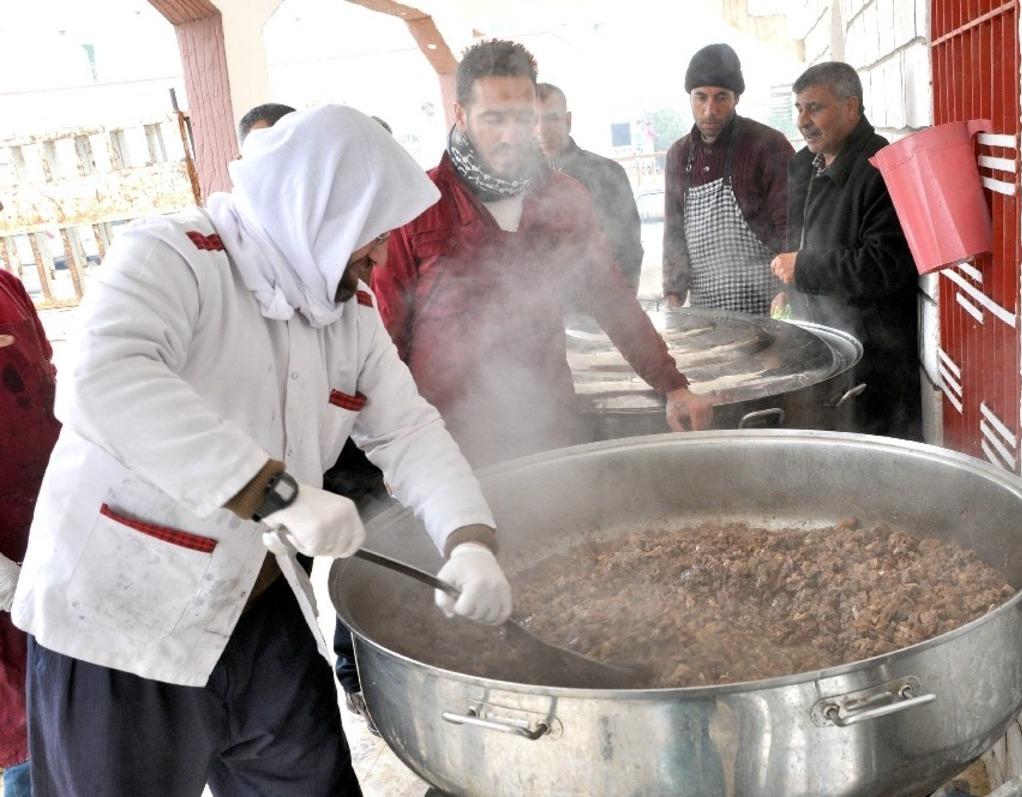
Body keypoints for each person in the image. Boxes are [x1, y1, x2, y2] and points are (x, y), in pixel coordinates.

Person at [12, 105, 513, 796]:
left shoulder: (348, 313)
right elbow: (102, 381)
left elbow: (407, 431)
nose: (379, 255)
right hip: (119, 626)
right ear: (319, 208)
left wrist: (469, 537)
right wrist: (273, 493)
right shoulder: (174, 256)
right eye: (371, 234)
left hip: (259, 611)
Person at [372, 39, 714, 470]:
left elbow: (611, 298)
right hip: (449, 442)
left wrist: (673, 385)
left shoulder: (564, 198)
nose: (511, 136)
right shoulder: (418, 205)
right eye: (493, 119)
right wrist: (398, 443)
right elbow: (386, 336)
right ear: (460, 114)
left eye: (522, 117)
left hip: (547, 424)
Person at [770, 62, 921, 440]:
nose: (803, 121)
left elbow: (885, 265)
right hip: (826, 350)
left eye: (815, 108)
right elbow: (802, 238)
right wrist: (789, 288)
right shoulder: (807, 165)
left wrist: (804, 269)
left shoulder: (879, 169)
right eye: (799, 109)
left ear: (851, 108)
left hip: (873, 365)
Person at [662, 43, 793, 314]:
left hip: (766, 308)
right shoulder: (678, 155)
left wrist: (788, 291)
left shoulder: (768, 145)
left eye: (721, 97)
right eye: (701, 98)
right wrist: (672, 296)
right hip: (706, 313)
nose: (710, 110)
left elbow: (791, 226)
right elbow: (674, 234)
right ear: (690, 98)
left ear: (736, 98)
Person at [0, 265, 60, 797]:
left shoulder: (6, 285)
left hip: (48, 541)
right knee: (27, 745)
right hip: (7, 583)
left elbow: (48, 383)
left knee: (71, 722)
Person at [535, 82, 644, 291]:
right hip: (537, 307)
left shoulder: (608, 173)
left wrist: (621, 303)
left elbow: (629, 250)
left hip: (600, 302)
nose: (542, 130)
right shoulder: (512, 183)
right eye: (532, 120)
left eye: (552, 118)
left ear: (568, 121)